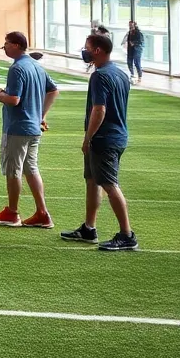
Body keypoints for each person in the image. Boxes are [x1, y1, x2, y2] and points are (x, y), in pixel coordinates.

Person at [61, 33, 137, 251]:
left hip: (104, 138)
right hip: (117, 134)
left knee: (109, 184)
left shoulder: (100, 76)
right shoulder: (121, 74)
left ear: (97, 51)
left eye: (87, 47)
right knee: (93, 180)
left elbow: (99, 109)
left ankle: (127, 234)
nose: (84, 51)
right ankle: (89, 228)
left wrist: (88, 137)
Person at [0, 31, 56, 229]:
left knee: (13, 169)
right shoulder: (36, 66)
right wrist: (41, 115)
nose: (5, 47)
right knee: (31, 168)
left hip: (17, 127)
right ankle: (42, 212)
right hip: (33, 126)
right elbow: (53, 90)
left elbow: (14, 99)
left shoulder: (17, 69)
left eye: (7, 43)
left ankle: (12, 212)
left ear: (17, 45)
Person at [122, 21, 144, 85]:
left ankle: (140, 76)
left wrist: (134, 43)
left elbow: (140, 41)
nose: (130, 26)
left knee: (137, 62)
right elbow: (127, 41)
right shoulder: (129, 33)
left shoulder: (138, 33)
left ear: (134, 25)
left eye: (131, 25)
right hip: (130, 50)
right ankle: (132, 74)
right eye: (129, 25)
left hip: (137, 49)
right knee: (129, 62)